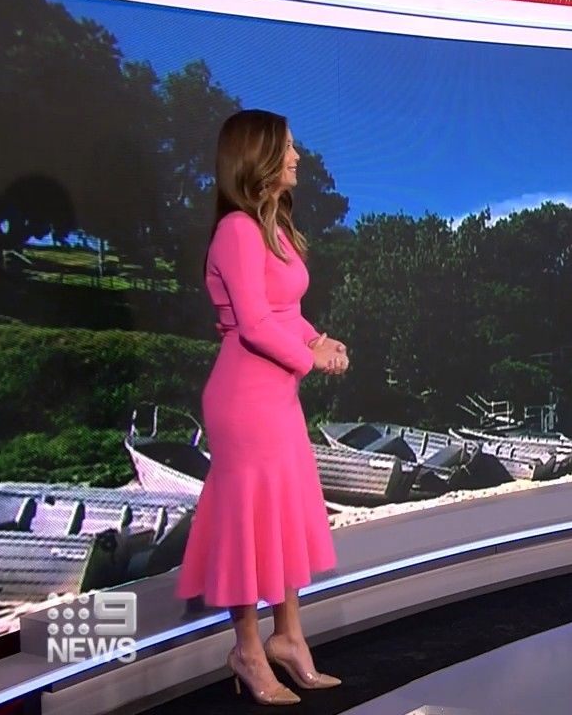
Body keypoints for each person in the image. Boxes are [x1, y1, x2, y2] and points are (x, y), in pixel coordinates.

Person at [175, 109, 348, 706]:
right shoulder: (236, 232)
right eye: (289, 147)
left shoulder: (270, 229)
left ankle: (289, 638)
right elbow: (251, 323)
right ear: (260, 158)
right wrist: (310, 359)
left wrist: (319, 340)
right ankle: (248, 651)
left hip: (277, 395)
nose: (297, 157)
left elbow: (283, 313)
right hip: (244, 399)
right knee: (251, 522)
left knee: (283, 514)